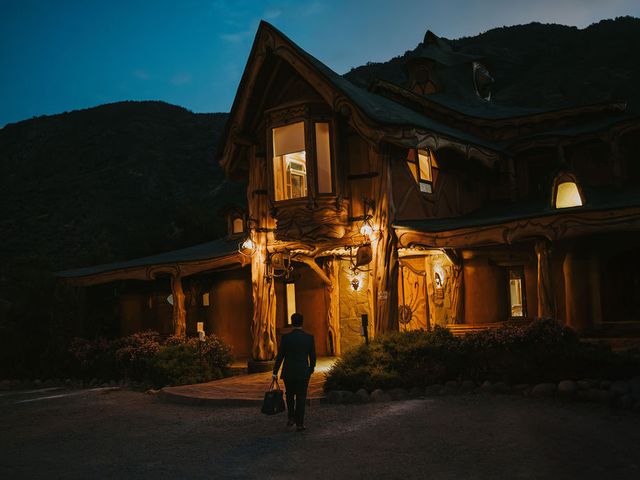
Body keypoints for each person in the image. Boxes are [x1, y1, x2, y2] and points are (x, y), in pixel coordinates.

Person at [272, 312, 316, 432]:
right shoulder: (309, 338)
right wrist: (310, 369)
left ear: (292, 323)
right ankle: (300, 423)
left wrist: (275, 372)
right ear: (302, 322)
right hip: (303, 372)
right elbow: (313, 356)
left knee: (290, 396)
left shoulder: (286, 338)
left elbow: (280, 356)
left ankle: (291, 417)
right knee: (301, 397)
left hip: (289, 371)